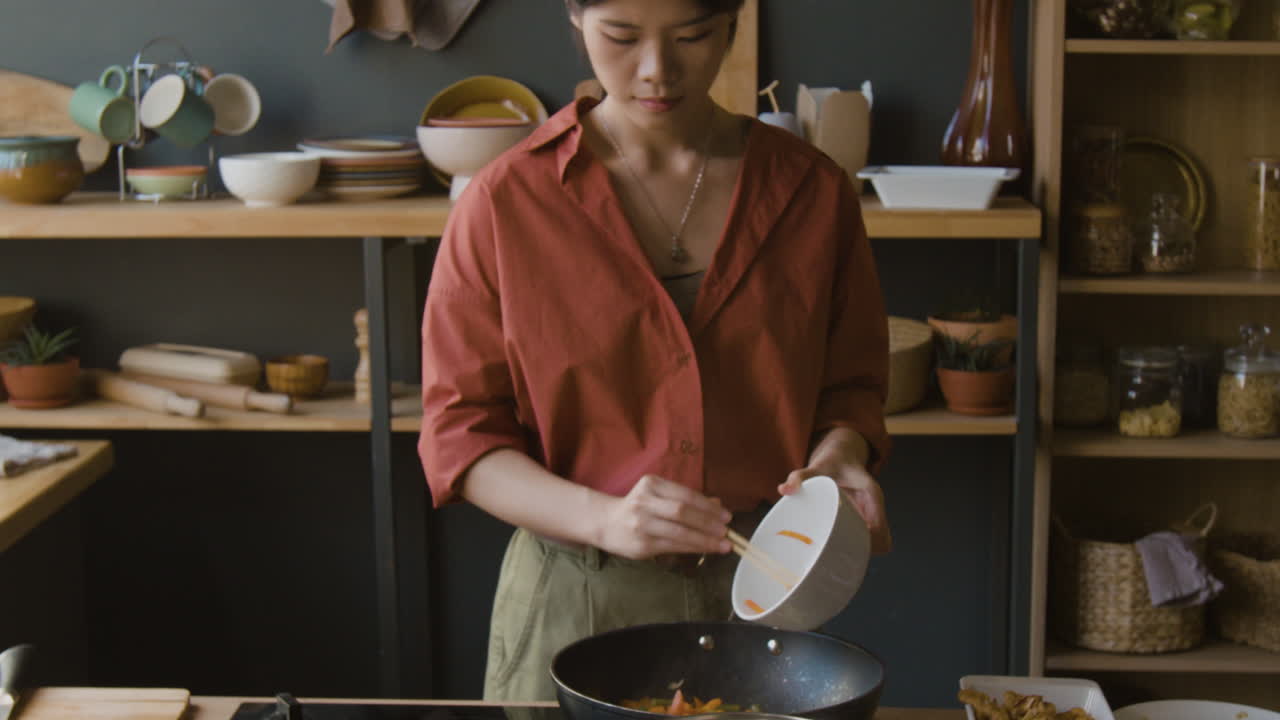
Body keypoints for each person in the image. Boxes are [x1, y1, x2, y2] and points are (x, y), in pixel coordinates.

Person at [418, 0, 892, 702]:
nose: (656, 70)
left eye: (693, 35)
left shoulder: (811, 191)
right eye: (621, 36)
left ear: (732, 22)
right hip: (576, 605)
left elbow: (850, 388)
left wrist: (837, 458)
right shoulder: (504, 202)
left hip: (763, 591)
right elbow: (460, 437)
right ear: (575, 21)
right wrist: (602, 517)